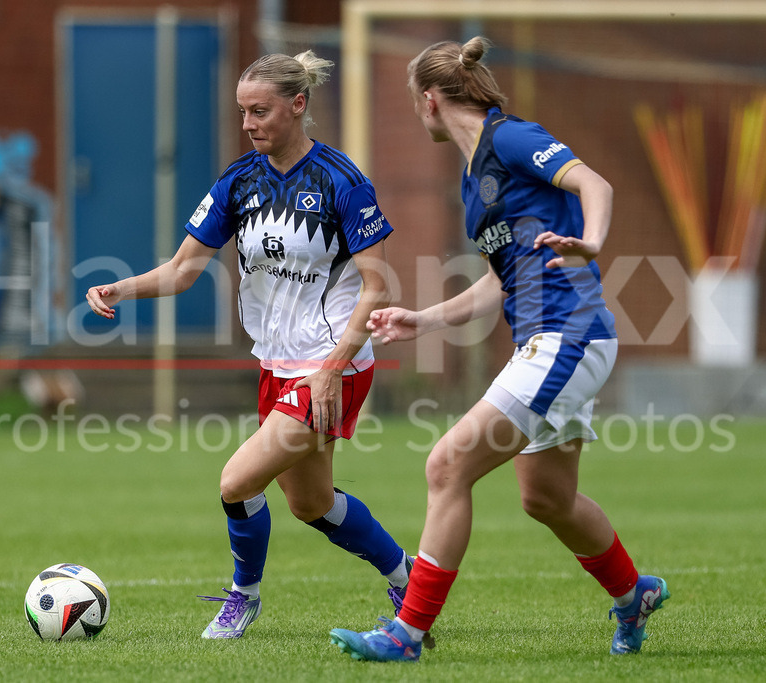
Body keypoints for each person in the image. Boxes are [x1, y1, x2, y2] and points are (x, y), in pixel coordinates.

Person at [329, 36, 668, 662]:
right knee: (547, 498)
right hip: (552, 340)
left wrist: (592, 242)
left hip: (567, 334)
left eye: (414, 102)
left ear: (430, 100)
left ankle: (405, 635)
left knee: (446, 466)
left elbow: (594, 184)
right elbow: (498, 282)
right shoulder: (472, 180)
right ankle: (634, 594)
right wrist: (423, 320)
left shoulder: (510, 138)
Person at [86, 50, 412, 639]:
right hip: (277, 365)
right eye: (242, 112)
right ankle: (407, 578)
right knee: (311, 505)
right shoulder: (239, 182)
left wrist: (332, 368)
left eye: (259, 111)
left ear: (298, 104)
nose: (248, 124)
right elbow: (182, 270)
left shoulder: (342, 181)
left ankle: (243, 598)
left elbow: (378, 286)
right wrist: (120, 288)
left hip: (332, 365)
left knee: (236, 481)